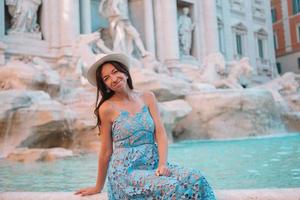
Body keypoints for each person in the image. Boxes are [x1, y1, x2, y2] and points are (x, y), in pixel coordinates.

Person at [75, 53, 216, 199]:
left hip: (154, 163)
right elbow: (105, 151)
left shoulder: (148, 97)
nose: (113, 79)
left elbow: (160, 133)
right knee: (170, 186)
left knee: (195, 178)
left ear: (125, 72)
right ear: (105, 85)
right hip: (126, 171)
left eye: (115, 72)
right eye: (106, 78)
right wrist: (98, 186)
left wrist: (162, 164)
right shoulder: (106, 108)